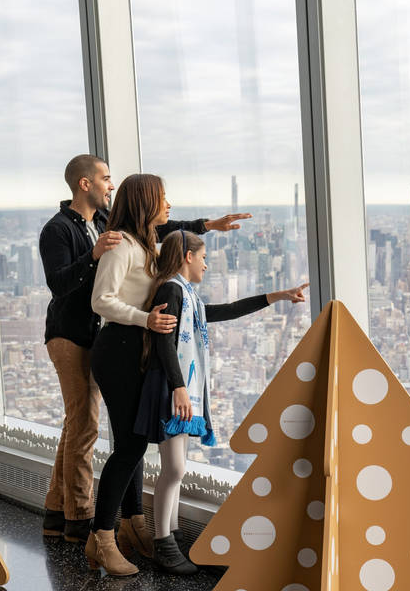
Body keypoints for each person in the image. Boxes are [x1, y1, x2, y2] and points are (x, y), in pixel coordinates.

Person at [38, 155, 249, 545]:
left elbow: (162, 227)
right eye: (105, 178)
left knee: (87, 429)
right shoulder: (63, 231)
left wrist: (207, 226)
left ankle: (65, 513)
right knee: (85, 426)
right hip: (72, 334)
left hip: (107, 335)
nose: (110, 185)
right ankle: (82, 522)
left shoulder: (109, 227)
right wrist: (96, 256)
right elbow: (63, 285)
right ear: (85, 184)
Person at [135, 230, 308, 574]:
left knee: (175, 468)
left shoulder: (189, 296)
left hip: (176, 386)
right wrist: (179, 387)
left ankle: (170, 537)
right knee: (175, 468)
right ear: (187, 256)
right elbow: (164, 343)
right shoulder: (172, 288)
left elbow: (227, 310)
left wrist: (278, 296)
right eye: (202, 257)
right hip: (172, 387)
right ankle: (163, 543)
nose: (206, 263)